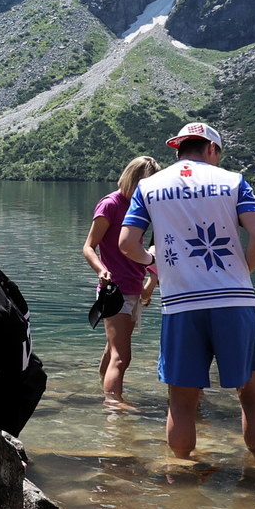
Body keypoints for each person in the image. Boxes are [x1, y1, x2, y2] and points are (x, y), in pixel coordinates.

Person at [117, 122, 255, 461]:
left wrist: (154, 263)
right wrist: (242, 271)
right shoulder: (234, 181)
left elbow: (127, 244)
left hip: (180, 304)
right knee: (252, 391)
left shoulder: (149, 186)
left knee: (182, 398)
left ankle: (182, 473)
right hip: (234, 300)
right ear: (211, 150)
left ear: (178, 149)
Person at [82, 155, 160, 406]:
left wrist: (150, 282)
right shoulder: (111, 204)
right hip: (114, 290)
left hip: (134, 287)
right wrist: (100, 269)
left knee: (113, 349)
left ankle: (103, 392)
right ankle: (114, 407)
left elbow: (149, 248)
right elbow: (88, 247)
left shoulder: (143, 206)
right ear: (134, 179)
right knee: (122, 357)